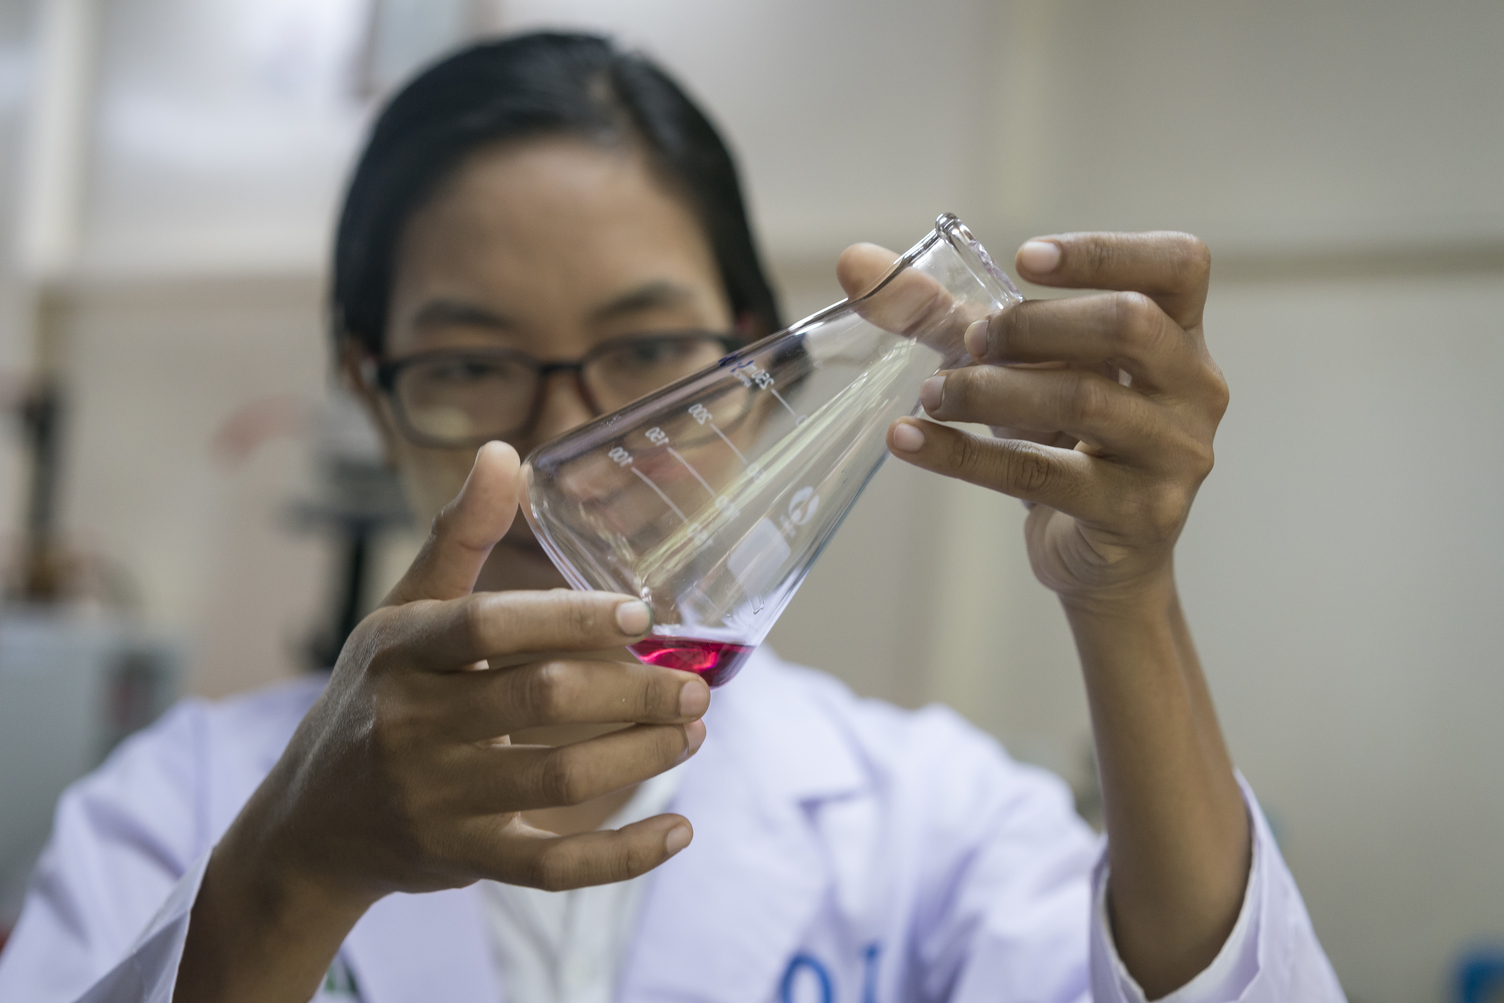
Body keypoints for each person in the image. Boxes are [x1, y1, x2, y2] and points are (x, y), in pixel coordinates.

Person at [0, 33, 1345, 1003]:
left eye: (649, 354)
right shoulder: (174, 811)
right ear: (369, 386)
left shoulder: (924, 820)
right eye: (468, 364)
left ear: (759, 371)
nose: (561, 455)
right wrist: (290, 879)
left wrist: (1128, 597)